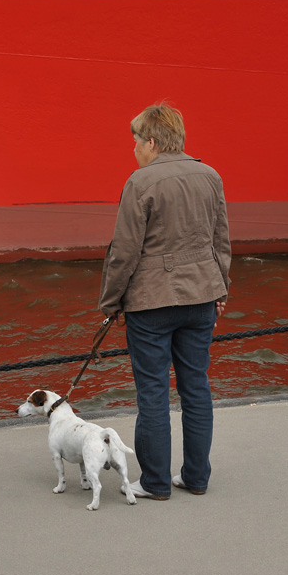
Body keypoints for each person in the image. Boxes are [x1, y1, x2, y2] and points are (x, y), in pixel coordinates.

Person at [98, 103, 231, 500]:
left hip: (152, 302)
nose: (134, 148)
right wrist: (221, 288)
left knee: (153, 393)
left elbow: (124, 251)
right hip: (202, 295)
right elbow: (221, 240)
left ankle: (155, 482)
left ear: (152, 141)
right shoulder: (210, 176)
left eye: (136, 140)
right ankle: (196, 477)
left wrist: (111, 301)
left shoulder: (141, 182)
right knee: (196, 388)